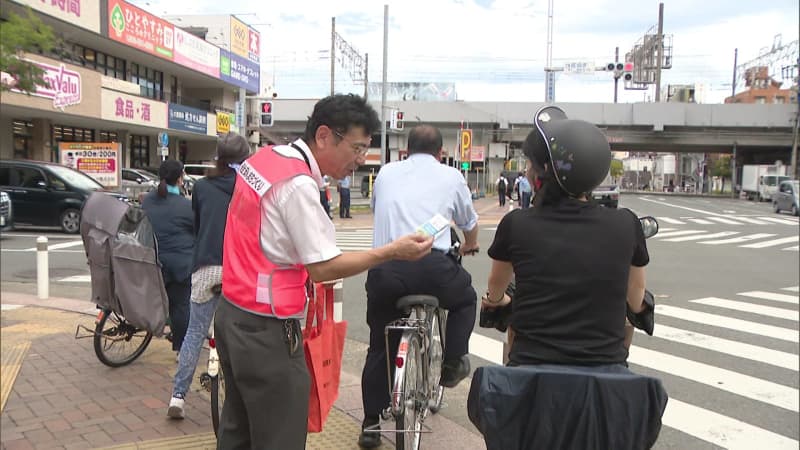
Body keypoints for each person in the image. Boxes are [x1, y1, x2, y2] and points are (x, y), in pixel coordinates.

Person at [215, 94, 434, 450]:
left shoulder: (264, 159)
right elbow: (323, 267)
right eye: (357, 148)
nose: (361, 160)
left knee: (238, 430)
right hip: (267, 331)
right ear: (323, 136)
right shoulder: (298, 185)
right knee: (279, 436)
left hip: (231, 314)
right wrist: (392, 251)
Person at [483, 105, 649, 367]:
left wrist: (496, 301)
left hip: (531, 373)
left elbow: (496, 287)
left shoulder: (516, 224)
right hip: (604, 379)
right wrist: (640, 309)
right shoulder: (626, 224)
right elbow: (636, 297)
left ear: (543, 171)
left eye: (530, 163)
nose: (527, 170)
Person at [358, 125, 479, 449]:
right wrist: (470, 244)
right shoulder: (451, 177)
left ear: (406, 151)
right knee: (466, 299)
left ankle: (370, 425)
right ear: (440, 153)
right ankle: (453, 362)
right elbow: (469, 223)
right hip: (434, 267)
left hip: (387, 268)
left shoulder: (385, 173)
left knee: (379, 345)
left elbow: (376, 208)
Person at [167, 133, 250, 420]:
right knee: (239, 335)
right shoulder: (249, 187)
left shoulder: (202, 187)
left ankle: (178, 397)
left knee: (194, 332)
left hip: (205, 267)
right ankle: (239, 400)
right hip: (238, 270)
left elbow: (198, 224)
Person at [141, 159, 193, 358]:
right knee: (181, 305)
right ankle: (181, 349)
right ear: (180, 179)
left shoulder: (147, 200)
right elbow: (198, 230)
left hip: (152, 262)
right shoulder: (185, 206)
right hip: (179, 266)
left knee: (165, 299)